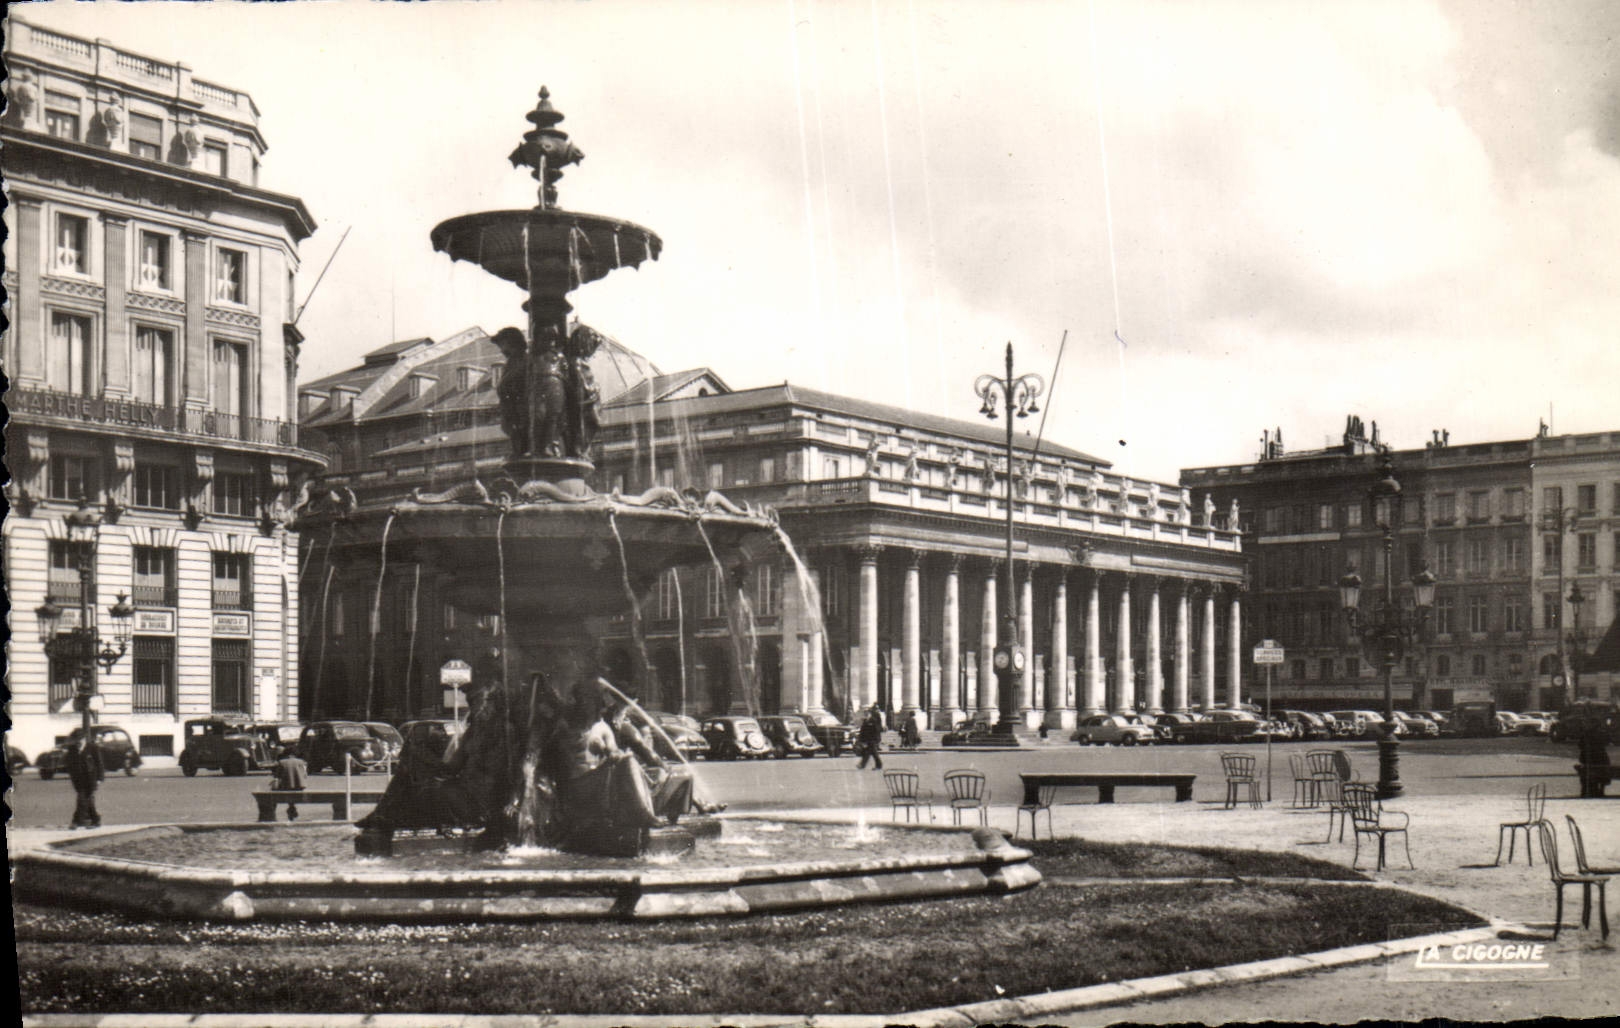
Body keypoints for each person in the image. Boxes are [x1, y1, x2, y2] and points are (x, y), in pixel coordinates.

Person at [65, 730, 103, 829]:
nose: (78, 742)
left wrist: (99, 779)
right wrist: (73, 778)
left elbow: (99, 764)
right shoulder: (72, 750)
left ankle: (75, 822)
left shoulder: (92, 748)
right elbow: (70, 766)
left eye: (80, 740)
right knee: (88, 800)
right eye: (76, 740)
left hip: (91, 779)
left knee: (82, 799)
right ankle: (96, 821)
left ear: (84, 739)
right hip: (79, 780)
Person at [272, 750, 309, 820]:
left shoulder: (281, 762)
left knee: (274, 791)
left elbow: (277, 776)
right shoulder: (301, 762)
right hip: (300, 787)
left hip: (286, 787)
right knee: (292, 789)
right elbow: (305, 775)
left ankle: (275, 812)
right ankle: (292, 808)